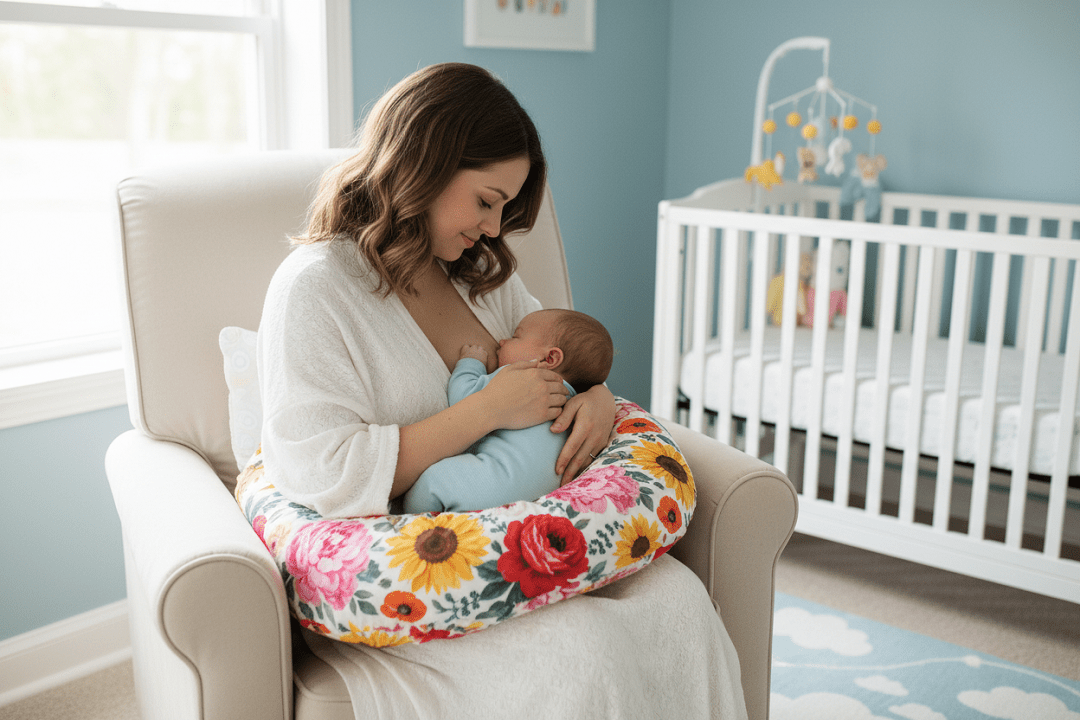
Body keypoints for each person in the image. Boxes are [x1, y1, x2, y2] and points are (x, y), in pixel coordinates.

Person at [257, 62, 747, 719]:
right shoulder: (315, 289)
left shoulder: (480, 277)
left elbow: (559, 358)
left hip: (517, 540)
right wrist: (484, 410)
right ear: (421, 163)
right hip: (416, 574)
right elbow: (325, 477)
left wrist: (595, 396)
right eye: (487, 201)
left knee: (682, 605)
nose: (493, 229)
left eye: (504, 210)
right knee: (584, 651)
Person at [403, 309, 614, 513]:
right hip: (536, 505)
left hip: (486, 485)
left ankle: (410, 521)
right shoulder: (577, 407)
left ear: (549, 359)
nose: (502, 341)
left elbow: (462, 397)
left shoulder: (522, 378)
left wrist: (471, 362)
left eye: (515, 337)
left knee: (432, 483)